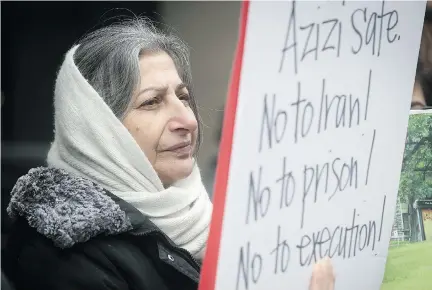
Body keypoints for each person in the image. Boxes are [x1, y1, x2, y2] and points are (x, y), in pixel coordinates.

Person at [3, 18, 335, 290]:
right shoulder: (64, 258)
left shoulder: (206, 220)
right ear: (98, 128)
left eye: (183, 96)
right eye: (151, 102)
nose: (189, 120)